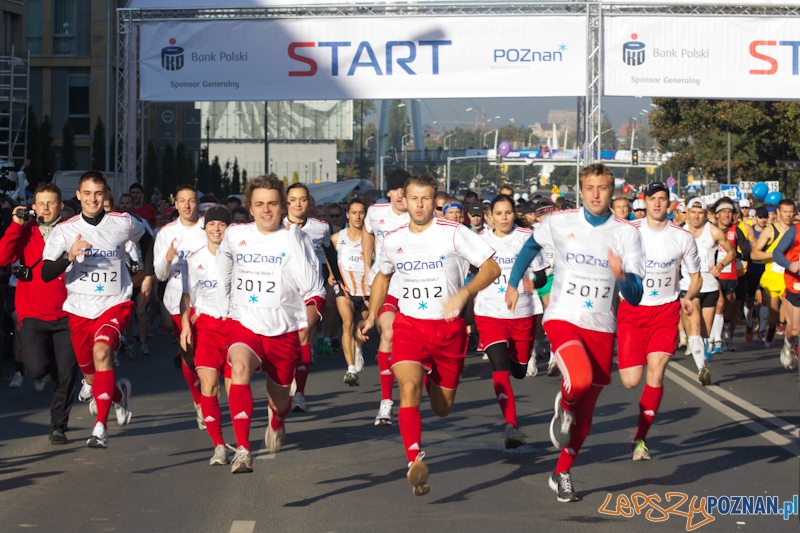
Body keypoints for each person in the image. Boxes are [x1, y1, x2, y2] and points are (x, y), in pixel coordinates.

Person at [505, 163, 646, 503]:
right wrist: (512, 283)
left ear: (613, 192)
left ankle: (562, 473)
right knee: (578, 380)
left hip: (601, 324)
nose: (596, 193)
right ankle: (564, 404)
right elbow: (529, 248)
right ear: (581, 191)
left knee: (587, 414)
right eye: (590, 187)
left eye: (603, 187)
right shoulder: (559, 221)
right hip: (563, 316)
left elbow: (636, 294)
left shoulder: (627, 233)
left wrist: (621, 276)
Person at [357, 172, 500, 496]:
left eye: (425, 198)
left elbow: (491, 268)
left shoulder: (453, 233)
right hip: (410, 326)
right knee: (408, 386)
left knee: (442, 407)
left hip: (448, 331)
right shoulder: (392, 238)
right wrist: (373, 315)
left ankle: (437, 378)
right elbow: (383, 277)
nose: (419, 204)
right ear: (403, 201)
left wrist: (464, 293)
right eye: (413, 198)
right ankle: (414, 460)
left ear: (434, 200)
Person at [216, 174, 324, 473]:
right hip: (245, 322)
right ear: (249, 208)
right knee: (238, 369)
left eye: (273, 204)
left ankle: (277, 421)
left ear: (282, 206)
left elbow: (314, 288)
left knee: (279, 401)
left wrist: (310, 317)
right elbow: (224, 258)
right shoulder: (235, 235)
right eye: (259, 204)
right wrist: (223, 299)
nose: (266, 210)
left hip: (283, 329)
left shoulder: (297, 239)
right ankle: (242, 448)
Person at [41, 171, 152, 448]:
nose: (92, 199)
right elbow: (45, 273)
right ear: (78, 196)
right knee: (91, 376)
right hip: (79, 310)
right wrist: (69, 256)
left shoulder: (123, 223)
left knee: (103, 352)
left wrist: (148, 275)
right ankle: (118, 394)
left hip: (115, 304)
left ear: (105, 196)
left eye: (98, 193)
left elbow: (149, 240)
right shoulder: (64, 230)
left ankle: (100, 428)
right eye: (87, 193)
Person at [618, 182, 701, 461]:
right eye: (652, 199)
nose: (656, 204)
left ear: (669, 204)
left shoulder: (683, 237)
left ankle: (640, 439)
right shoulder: (629, 233)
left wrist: (689, 296)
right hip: (633, 311)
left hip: (665, 312)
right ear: (644, 202)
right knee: (631, 381)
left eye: (662, 199)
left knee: (656, 373)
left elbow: (696, 276)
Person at [0, 183, 79, 443]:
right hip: (33, 313)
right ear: (34, 206)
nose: (45, 208)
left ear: (60, 206)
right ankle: (50, 370)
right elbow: (3, 259)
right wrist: (15, 225)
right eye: (40, 203)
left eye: (50, 203)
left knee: (67, 375)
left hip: (67, 313)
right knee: (35, 369)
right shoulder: (25, 230)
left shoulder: (71, 231)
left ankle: (58, 425)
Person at [474, 194, 545, 448]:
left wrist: (530, 283)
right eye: (499, 213)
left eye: (508, 213)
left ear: (514, 214)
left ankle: (521, 363)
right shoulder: (479, 241)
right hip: (490, 314)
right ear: (490, 216)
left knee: (519, 370)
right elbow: (470, 274)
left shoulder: (528, 239)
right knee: (500, 367)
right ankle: (511, 426)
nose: (504, 218)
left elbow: (542, 279)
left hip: (522, 314)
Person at [179, 205, 234, 465]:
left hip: (235, 326)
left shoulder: (239, 257)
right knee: (209, 386)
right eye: (212, 224)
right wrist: (186, 325)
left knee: (235, 391)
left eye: (221, 224)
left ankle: (242, 442)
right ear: (205, 227)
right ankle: (219, 445)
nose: (216, 228)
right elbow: (187, 296)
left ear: (228, 228)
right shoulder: (193, 258)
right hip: (207, 327)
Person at [154, 184, 209, 428]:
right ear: (174, 204)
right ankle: (199, 402)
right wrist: (167, 260)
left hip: (206, 299)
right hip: (177, 301)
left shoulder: (210, 227)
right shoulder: (166, 232)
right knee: (188, 353)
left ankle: (209, 390)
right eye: (182, 201)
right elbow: (160, 275)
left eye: (191, 200)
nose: (187, 205)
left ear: (198, 203)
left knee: (206, 354)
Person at [360, 169, 411, 425]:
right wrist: (367, 262)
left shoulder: (422, 215)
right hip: (386, 286)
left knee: (411, 341)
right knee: (388, 333)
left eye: (407, 188)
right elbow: (367, 232)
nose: (402, 194)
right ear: (389, 192)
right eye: (397, 189)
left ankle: (413, 384)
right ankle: (386, 401)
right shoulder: (376, 213)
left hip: (415, 287)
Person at [284, 183, 329, 412]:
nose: (298, 204)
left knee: (304, 331)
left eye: (302, 199)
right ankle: (290, 376)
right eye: (292, 199)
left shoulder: (320, 228)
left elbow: (330, 251)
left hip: (313, 291)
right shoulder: (276, 228)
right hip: (286, 293)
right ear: (286, 203)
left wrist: (335, 278)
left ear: (309, 202)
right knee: (290, 343)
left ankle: (300, 394)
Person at [679, 197, 734, 385]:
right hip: (688, 286)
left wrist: (721, 265)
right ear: (687, 212)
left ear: (705, 214)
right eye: (692, 212)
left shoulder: (713, 231)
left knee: (705, 331)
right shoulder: (679, 231)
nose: (696, 216)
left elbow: (731, 252)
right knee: (694, 325)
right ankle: (702, 368)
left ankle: (698, 351)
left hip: (709, 286)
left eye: (700, 213)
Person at [328, 198, 369, 386]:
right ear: (348, 215)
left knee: (362, 327)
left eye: (361, 212)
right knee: (347, 323)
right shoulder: (338, 238)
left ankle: (358, 349)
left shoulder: (371, 240)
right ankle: (350, 369)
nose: (358, 216)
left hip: (365, 291)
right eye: (354, 212)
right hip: (345, 289)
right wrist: (332, 275)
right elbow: (329, 257)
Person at [751, 199, 795, 348]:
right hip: (773, 277)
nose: (788, 215)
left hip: (791, 277)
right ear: (778, 212)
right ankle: (771, 328)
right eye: (785, 212)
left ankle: (790, 345)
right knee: (774, 314)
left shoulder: (796, 230)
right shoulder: (770, 230)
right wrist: (775, 255)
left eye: (791, 212)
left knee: (791, 318)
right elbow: (754, 254)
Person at [712, 198, 751, 353]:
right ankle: (713, 338)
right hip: (714, 274)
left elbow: (747, 252)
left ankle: (727, 334)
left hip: (733, 275)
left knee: (731, 306)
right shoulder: (711, 229)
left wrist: (735, 255)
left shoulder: (736, 230)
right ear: (717, 215)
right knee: (719, 304)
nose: (727, 215)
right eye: (724, 212)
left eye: (730, 212)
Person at [768, 214, 800, 370]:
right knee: (795, 329)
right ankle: (788, 345)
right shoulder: (795, 231)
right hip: (796, 284)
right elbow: (777, 253)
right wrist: (790, 264)